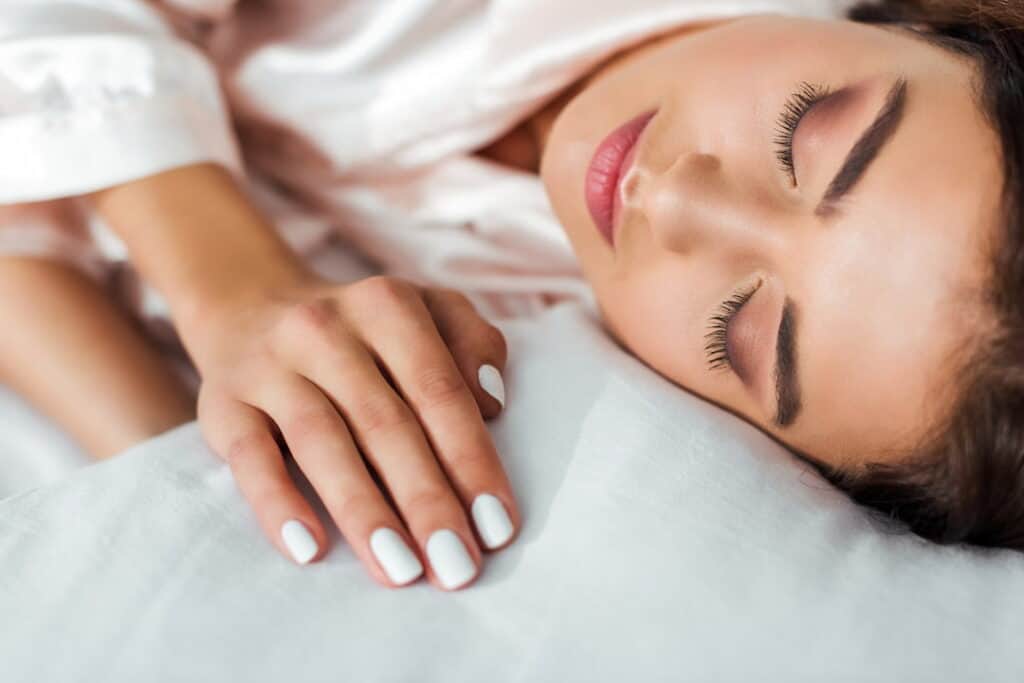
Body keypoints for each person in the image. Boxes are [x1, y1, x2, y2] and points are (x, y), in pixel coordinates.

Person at [1, 0, 1022, 590]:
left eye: (739, 327)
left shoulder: (530, 359)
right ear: (945, 24)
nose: (674, 201)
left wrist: (181, 464)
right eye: (806, 128)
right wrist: (231, 284)